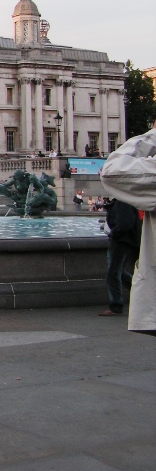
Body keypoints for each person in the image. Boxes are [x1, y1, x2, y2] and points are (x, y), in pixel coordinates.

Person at [100, 128, 156, 336]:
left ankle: (117, 303)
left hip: (122, 240)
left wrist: (153, 135)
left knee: (114, 272)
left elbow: (112, 171)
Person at [98, 198, 142, 317]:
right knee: (119, 272)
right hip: (124, 241)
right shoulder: (122, 200)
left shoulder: (123, 201)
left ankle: (116, 306)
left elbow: (124, 224)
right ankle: (142, 294)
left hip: (121, 242)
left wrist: (114, 233)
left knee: (113, 273)